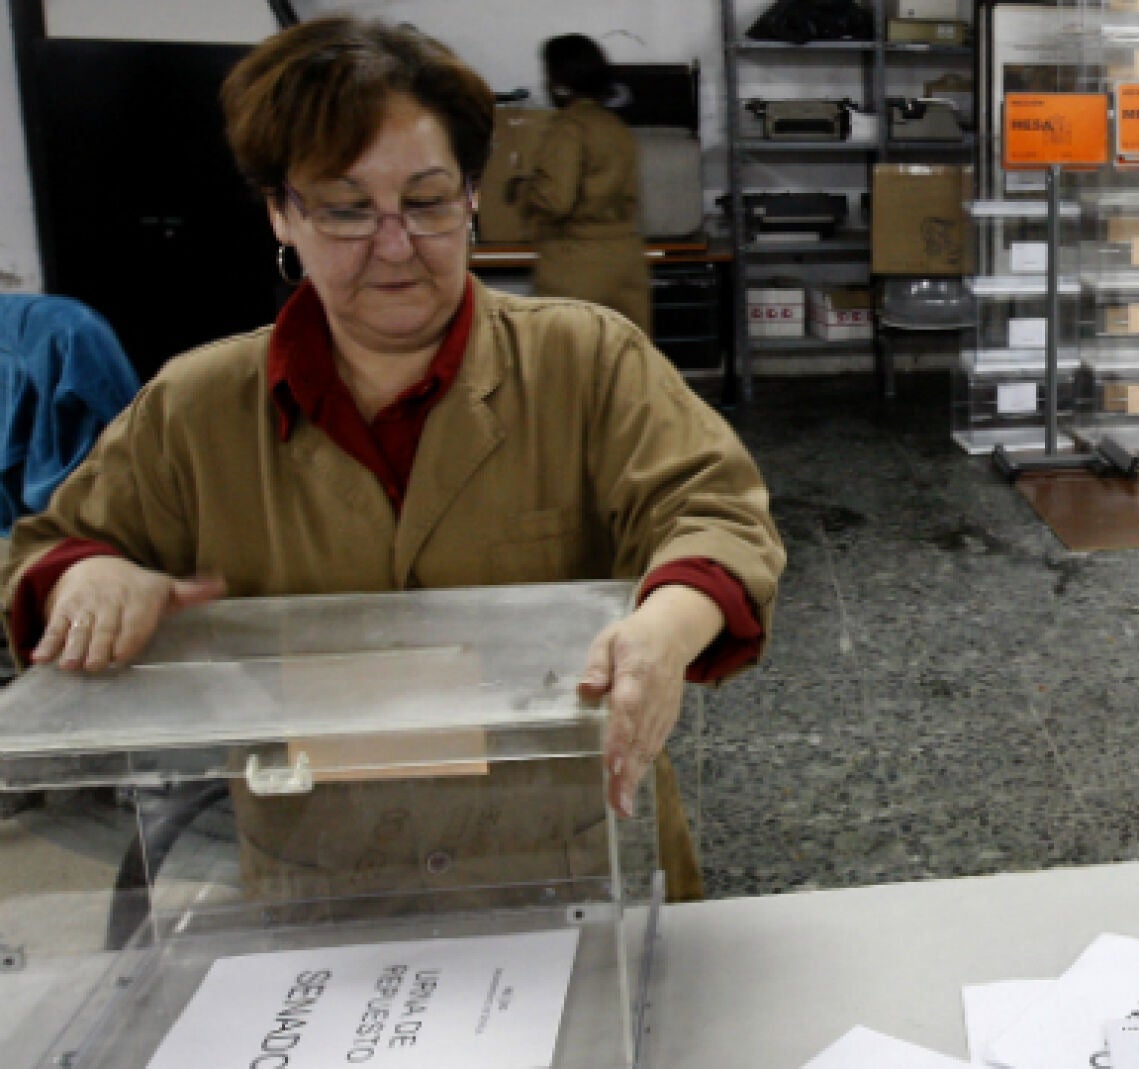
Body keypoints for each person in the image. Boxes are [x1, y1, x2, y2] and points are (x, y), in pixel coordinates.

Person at [0, 16, 783, 902]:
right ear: (279, 211)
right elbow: (49, 550)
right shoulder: (197, 405)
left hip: (568, 855)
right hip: (325, 874)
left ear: (472, 196)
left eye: (428, 200)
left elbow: (715, 513)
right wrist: (91, 579)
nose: (395, 244)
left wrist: (665, 629)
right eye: (344, 209)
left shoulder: (585, 359)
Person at [513, 34, 652, 332]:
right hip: (626, 258)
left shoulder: (568, 128)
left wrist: (524, 191)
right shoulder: (617, 127)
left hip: (576, 263)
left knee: (568, 368)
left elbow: (556, 200)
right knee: (628, 365)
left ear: (559, 80)